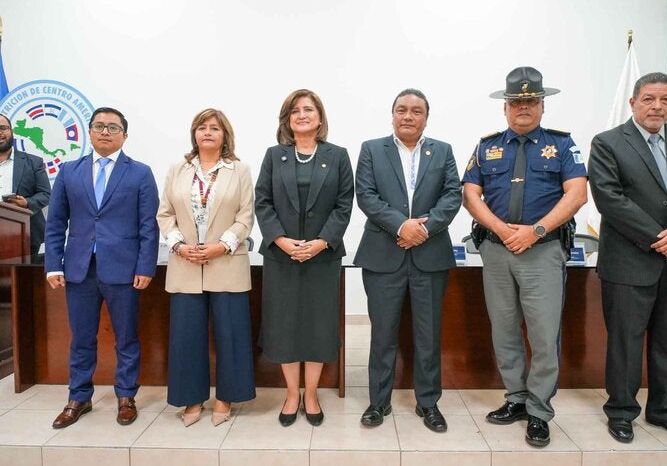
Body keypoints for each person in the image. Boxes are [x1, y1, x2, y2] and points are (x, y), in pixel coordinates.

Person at [588, 72, 667, 445]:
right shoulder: (609, 143)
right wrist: (659, 237)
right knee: (626, 341)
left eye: (665, 99)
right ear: (633, 103)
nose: (657, 106)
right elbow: (610, 199)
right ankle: (622, 411)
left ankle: (663, 410)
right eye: (648, 99)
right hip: (629, 261)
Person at [462, 67, 587, 447]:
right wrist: (502, 231)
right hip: (497, 252)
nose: (523, 107)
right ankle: (515, 398)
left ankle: (539, 411)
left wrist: (536, 231)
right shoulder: (487, 146)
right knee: (504, 331)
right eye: (516, 101)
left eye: (531, 101)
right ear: (505, 107)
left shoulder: (562, 145)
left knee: (544, 335)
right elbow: (470, 194)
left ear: (543, 106)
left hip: (542, 252)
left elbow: (577, 193)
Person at [45, 107, 159, 428]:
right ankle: (78, 397)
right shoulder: (69, 172)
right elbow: (55, 223)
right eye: (99, 126)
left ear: (125, 134)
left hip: (124, 270)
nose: (105, 132)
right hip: (80, 269)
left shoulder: (139, 173)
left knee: (126, 337)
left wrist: (145, 266)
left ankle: (126, 396)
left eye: (112, 127)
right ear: (90, 132)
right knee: (81, 337)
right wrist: (54, 264)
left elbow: (148, 226)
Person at [355, 88, 462, 433]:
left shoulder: (442, 151)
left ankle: (428, 403)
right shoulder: (372, 149)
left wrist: (423, 229)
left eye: (416, 111)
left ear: (426, 118)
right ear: (392, 115)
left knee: (427, 334)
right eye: (401, 109)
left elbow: (452, 194)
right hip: (383, 254)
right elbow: (366, 195)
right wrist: (401, 225)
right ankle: (378, 402)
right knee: (382, 333)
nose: (408, 116)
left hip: (429, 256)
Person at [255, 89, 353, 427]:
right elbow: (263, 201)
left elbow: (344, 205)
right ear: (287, 120)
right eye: (294, 110)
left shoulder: (338, 156)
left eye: (308, 109)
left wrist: (321, 242)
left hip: (322, 257)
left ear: (320, 118)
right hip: (281, 257)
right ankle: (291, 393)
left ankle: (311, 394)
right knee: (284, 326)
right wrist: (280, 239)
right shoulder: (274, 155)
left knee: (317, 326)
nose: (302, 114)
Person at [157, 108, 256, 427]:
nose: (208, 132)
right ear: (194, 134)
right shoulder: (178, 169)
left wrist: (221, 245)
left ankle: (226, 398)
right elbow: (165, 213)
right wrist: (178, 245)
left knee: (231, 335)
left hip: (226, 262)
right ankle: (192, 399)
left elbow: (245, 216)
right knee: (186, 337)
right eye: (202, 127)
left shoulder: (239, 170)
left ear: (225, 134)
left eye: (215, 128)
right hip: (185, 263)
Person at [0, 113, 51, 262]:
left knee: (24, 283)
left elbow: (46, 194)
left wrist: (26, 203)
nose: (0, 132)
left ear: (12, 131)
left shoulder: (33, 162)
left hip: (26, 234)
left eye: (3, 128)